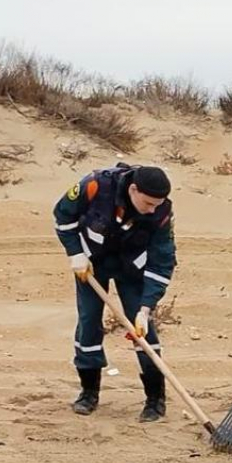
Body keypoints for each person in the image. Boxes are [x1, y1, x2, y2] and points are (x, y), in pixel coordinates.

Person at [53, 164, 176, 422]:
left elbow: (162, 260)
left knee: (143, 329)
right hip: (91, 263)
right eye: (148, 203)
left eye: (157, 204)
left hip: (132, 268)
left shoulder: (161, 212)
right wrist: (75, 252)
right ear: (133, 189)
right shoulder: (95, 186)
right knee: (88, 321)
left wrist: (145, 308)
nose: (152, 209)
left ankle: (155, 399)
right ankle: (89, 392)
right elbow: (63, 216)